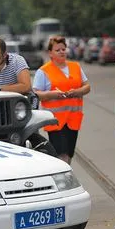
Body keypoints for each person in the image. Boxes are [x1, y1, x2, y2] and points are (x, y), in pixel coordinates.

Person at [32, 36, 91, 164]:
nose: (62, 52)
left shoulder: (75, 67)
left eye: (64, 49)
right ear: (50, 53)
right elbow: (35, 94)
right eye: (58, 50)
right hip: (55, 121)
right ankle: (64, 180)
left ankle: (64, 179)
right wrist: (52, 94)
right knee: (61, 156)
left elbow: (87, 87)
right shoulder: (43, 71)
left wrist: (78, 92)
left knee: (68, 155)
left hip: (73, 119)